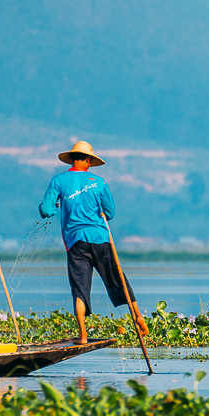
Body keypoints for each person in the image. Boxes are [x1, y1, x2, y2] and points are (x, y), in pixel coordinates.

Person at [38, 140, 149, 346]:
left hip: (76, 242)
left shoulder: (59, 181)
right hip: (100, 238)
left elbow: (46, 211)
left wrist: (55, 205)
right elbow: (110, 213)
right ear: (88, 160)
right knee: (117, 278)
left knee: (80, 287)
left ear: (71, 159)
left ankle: (83, 335)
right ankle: (137, 315)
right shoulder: (99, 182)